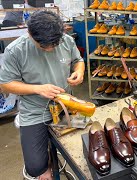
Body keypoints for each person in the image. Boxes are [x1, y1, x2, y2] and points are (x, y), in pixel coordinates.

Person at [0, 11, 85, 179]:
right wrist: (38, 89)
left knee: (84, 148)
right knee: (36, 167)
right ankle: (45, 164)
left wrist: (79, 72)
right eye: (44, 46)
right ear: (30, 34)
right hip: (35, 111)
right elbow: (5, 85)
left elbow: (78, 61)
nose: (50, 49)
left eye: (54, 44)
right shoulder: (16, 50)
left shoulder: (66, 41)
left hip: (66, 105)